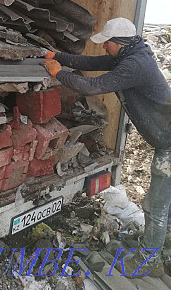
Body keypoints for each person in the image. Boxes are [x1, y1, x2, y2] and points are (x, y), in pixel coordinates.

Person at [43, 17, 171, 277]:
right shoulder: (128, 54)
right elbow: (89, 63)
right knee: (164, 200)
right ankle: (158, 243)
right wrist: (56, 55)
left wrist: (59, 73)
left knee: (156, 204)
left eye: (107, 43)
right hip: (166, 138)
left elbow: (93, 86)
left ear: (120, 43)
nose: (104, 47)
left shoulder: (135, 64)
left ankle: (150, 259)